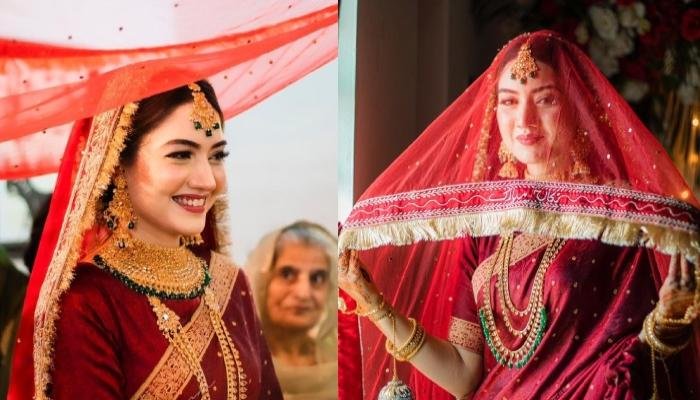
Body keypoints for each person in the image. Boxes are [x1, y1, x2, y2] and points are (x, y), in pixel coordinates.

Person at [338, 30, 699, 400]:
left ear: (577, 106)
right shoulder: (485, 221)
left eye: (544, 99)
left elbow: (636, 357)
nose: (523, 120)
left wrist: (668, 324)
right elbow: (463, 374)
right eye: (508, 102)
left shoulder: (618, 216)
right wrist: (374, 305)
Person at [9, 81, 283, 399]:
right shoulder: (87, 302)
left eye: (217, 155)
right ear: (117, 165)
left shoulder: (230, 281)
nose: (208, 180)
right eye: (181, 154)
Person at [248, 221, 338, 400]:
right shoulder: (238, 362)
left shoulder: (339, 359)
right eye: (287, 274)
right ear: (261, 283)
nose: (303, 293)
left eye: (317, 278)